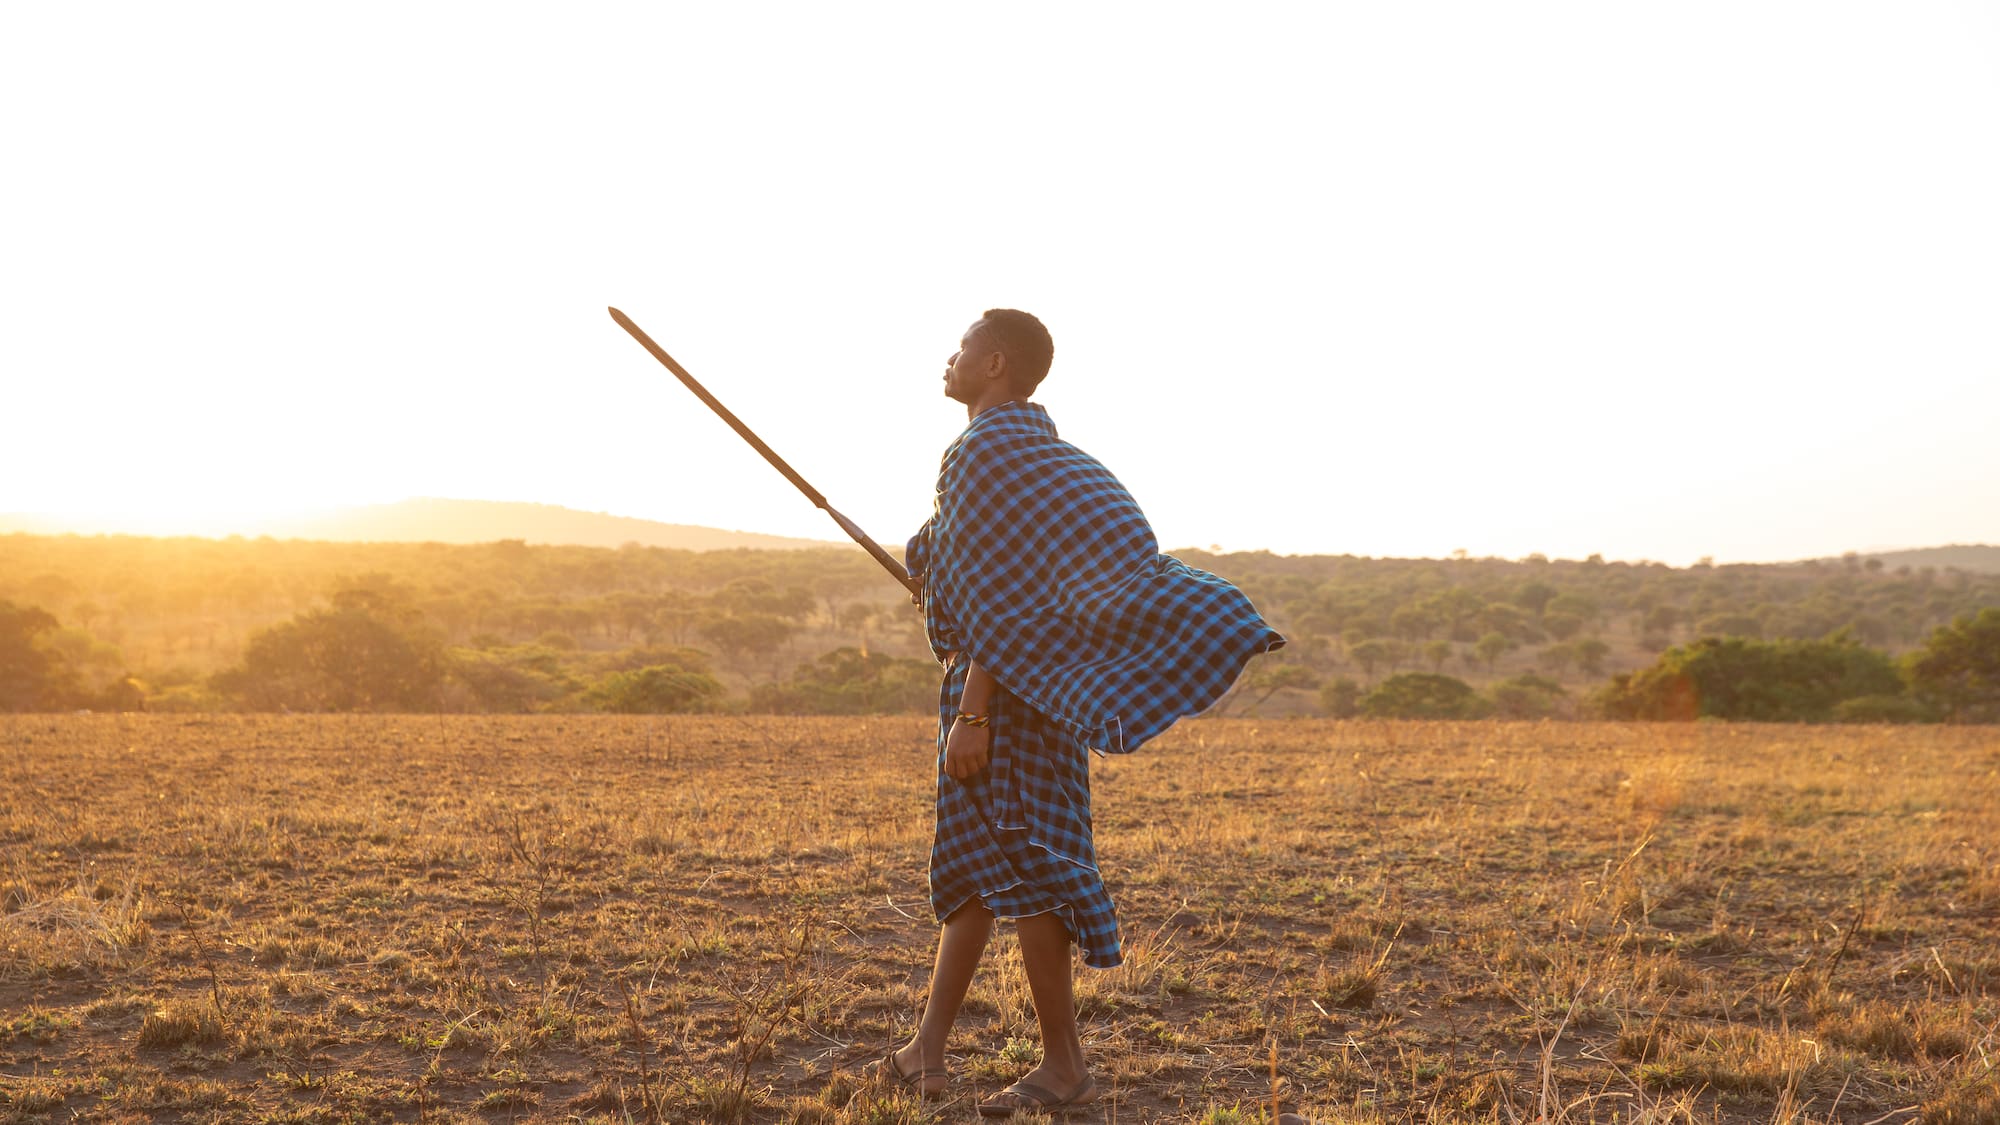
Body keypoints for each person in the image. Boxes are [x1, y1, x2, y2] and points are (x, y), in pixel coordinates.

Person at [884, 309, 1284, 1114]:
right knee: (976, 863)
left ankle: (1064, 1066)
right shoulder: (1045, 459)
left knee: (1032, 862)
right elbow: (995, 577)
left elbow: (1004, 602)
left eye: (962, 347)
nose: (949, 358)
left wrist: (975, 712)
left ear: (995, 363)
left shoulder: (984, 453)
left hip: (1001, 694)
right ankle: (926, 1049)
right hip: (1035, 684)